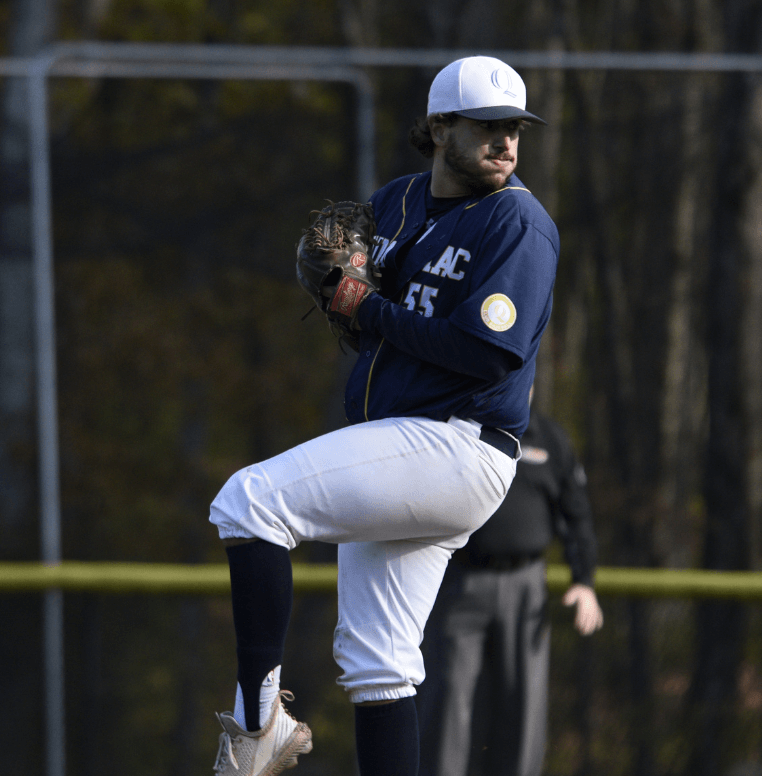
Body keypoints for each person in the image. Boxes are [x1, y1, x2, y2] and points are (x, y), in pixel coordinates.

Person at [207, 55, 559, 776]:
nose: (506, 142)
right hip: (401, 445)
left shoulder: (517, 221)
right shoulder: (396, 204)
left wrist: (368, 307)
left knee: (250, 502)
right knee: (379, 665)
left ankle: (258, 723)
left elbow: (485, 353)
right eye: (488, 126)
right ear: (438, 128)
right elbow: (369, 315)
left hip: (457, 446)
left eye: (514, 128)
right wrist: (354, 303)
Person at [418, 400, 603, 776]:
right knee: (447, 698)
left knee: (524, 703)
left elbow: (578, 515)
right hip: (458, 583)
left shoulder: (551, 439)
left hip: (527, 588)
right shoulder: (452, 428)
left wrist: (584, 581)